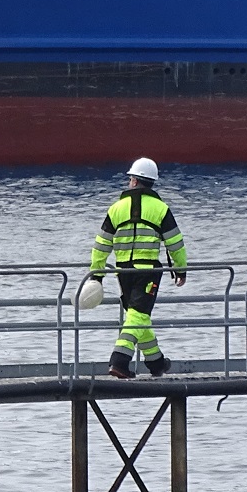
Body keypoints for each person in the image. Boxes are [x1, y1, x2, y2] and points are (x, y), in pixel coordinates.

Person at [88, 158, 188, 379]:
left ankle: (156, 363)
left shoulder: (116, 208)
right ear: (152, 182)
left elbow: (101, 245)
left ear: (133, 180)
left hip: (123, 272)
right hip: (148, 271)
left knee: (137, 316)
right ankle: (119, 361)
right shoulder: (161, 209)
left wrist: (97, 274)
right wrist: (180, 270)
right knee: (139, 315)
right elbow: (175, 243)